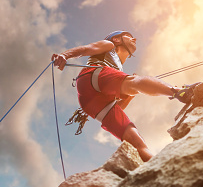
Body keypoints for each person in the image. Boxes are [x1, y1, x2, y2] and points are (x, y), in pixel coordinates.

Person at [51, 31, 194, 162]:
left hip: (89, 101)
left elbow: (117, 107)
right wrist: (65, 55)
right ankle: (178, 91)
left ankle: (155, 163)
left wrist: (129, 95)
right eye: (129, 35)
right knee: (134, 83)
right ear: (116, 39)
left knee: (137, 141)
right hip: (92, 75)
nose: (134, 38)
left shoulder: (117, 67)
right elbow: (85, 49)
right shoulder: (109, 45)